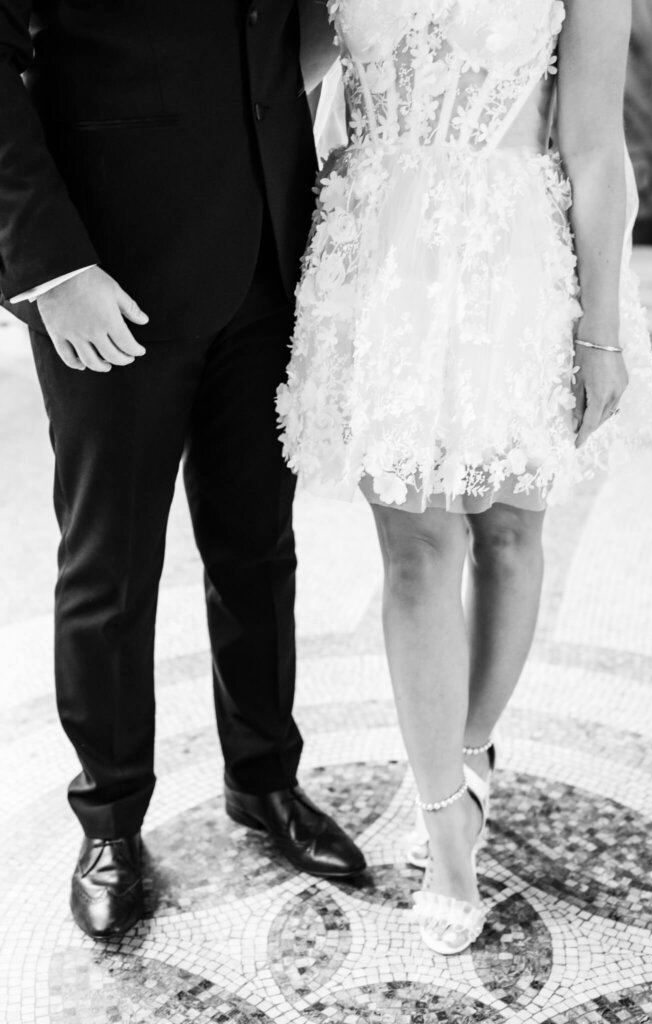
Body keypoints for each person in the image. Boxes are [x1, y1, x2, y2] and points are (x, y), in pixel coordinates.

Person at [277, 0, 652, 955]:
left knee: (507, 535)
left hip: (514, 261)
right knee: (415, 552)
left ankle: (465, 742)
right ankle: (448, 823)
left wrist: (600, 332)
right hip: (379, 261)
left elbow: (591, 147)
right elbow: (263, 79)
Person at [0, 0, 366, 941]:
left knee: (257, 546)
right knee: (110, 561)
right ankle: (110, 822)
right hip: (107, 271)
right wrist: (49, 267)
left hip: (266, 256)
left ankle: (263, 780)